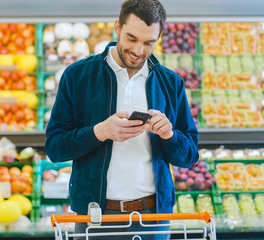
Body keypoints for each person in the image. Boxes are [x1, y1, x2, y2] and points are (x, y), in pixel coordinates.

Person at [45, 0, 199, 239]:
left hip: (154, 218)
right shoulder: (78, 76)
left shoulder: (171, 83)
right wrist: (100, 132)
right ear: (117, 27)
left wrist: (170, 135)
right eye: (132, 39)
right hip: (96, 217)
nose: (138, 51)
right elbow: (55, 148)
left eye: (149, 42)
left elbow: (189, 156)